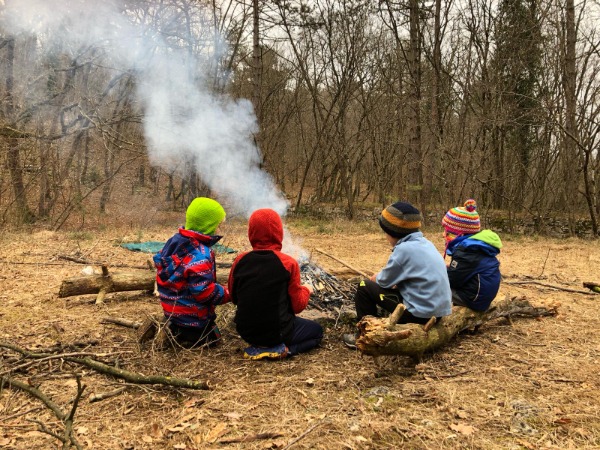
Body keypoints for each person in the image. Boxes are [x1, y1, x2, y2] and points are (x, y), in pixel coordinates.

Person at [343, 201, 452, 349]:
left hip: (419, 315)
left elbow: (383, 281)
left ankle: (365, 335)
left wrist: (375, 278)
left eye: (386, 232)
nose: (386, 236)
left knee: (364, 286)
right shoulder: (426, 243)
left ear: (394, 232)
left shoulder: (404, 250)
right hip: (439, 313)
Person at [228, 208, 323, 360]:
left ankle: (257, 348)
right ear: (279, 233)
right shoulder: (288, 263)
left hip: (246, 332)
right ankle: (285, 350)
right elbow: (298, 306)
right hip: (278, 332)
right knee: (317, 332)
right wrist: (306, 289)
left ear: (251, 232)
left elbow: (233, 297)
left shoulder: (240, 261)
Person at [153, 197, 231, 348]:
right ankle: (194, 338)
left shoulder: (174, 242)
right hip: (194, 321)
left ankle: (176, 332)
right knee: (214, 339)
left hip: (173, 314)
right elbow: (203, 292)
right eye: (219, 226)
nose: (220, 230)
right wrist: (228, 293)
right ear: (208, 225)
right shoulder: (201, 254)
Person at [442, 199, 502, 311]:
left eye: (447, 231)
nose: (444, 234)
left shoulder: (466, 251)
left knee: (436, 288)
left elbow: (452, 280)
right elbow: (465, 271)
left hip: (474, 299)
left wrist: (437, 273)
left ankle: (431, 316)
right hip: (482, 295)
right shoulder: (474, 246)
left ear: (459, 233)